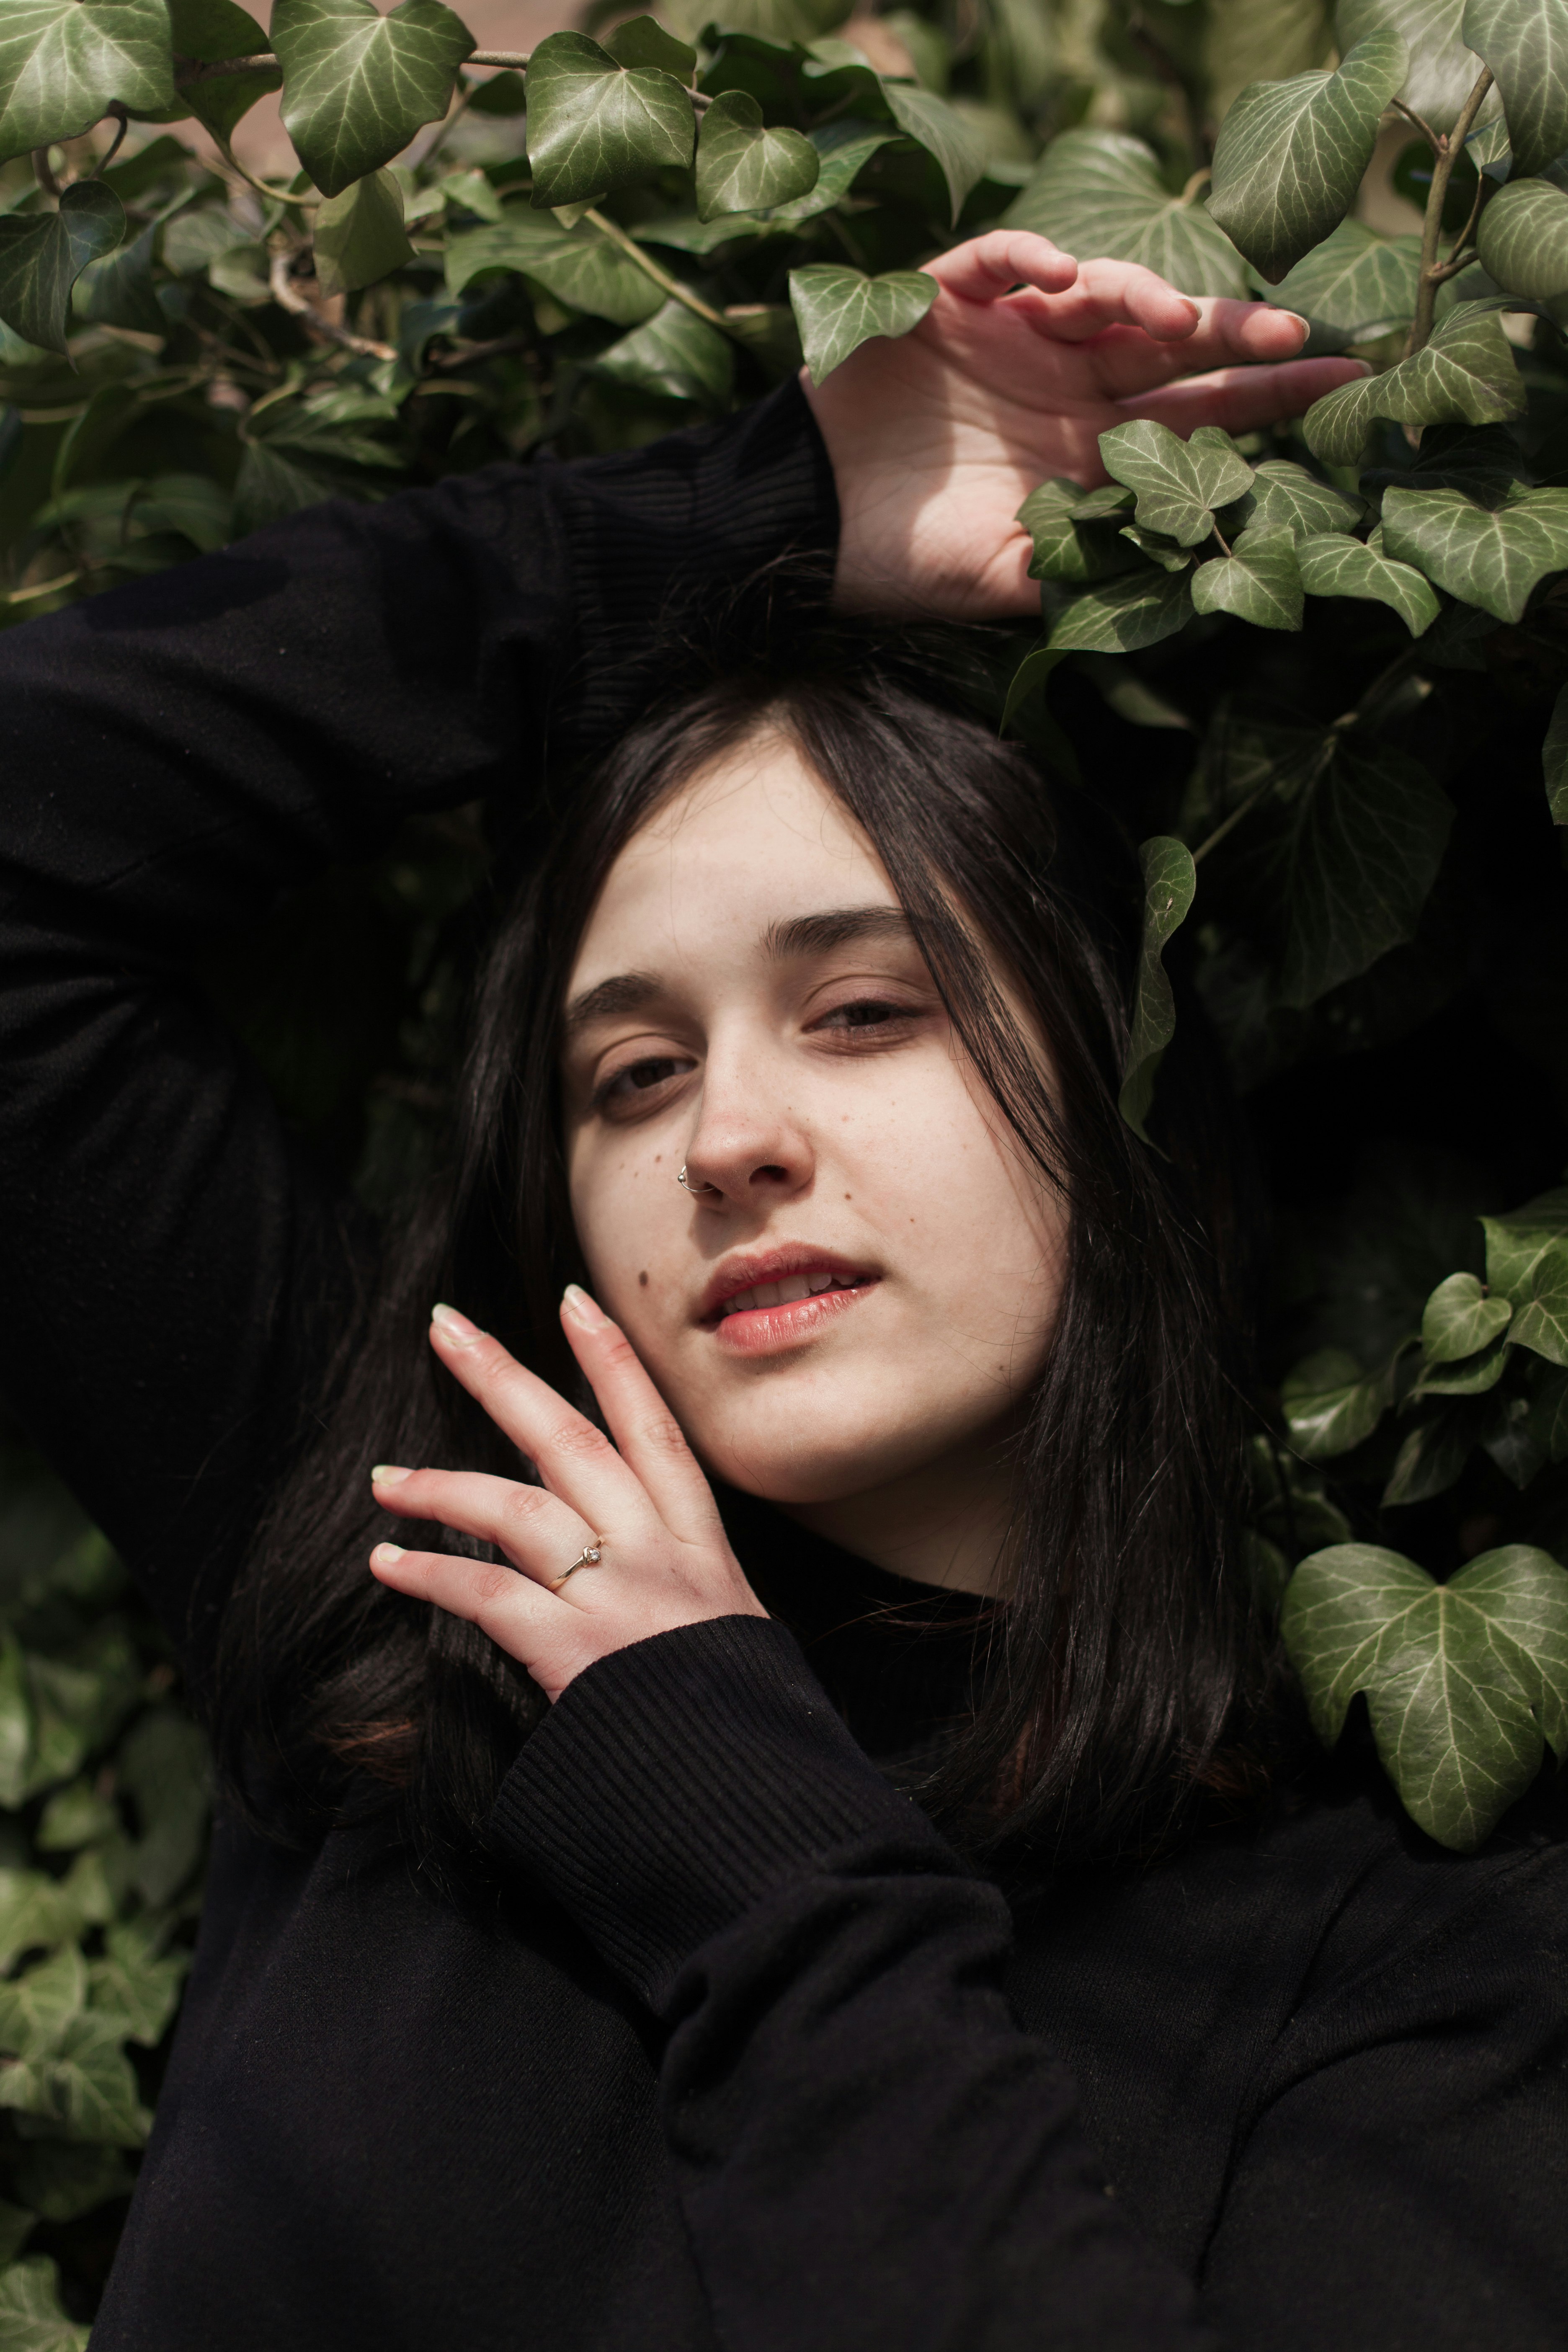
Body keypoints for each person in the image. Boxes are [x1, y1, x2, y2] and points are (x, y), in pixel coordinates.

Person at [0, 228, 1561, 2350]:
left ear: (1125, 1095)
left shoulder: (1409, 1958)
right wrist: (779, 511)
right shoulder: (414, 1620)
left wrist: (734, 1825)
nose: (727, 1137)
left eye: (864, 1012)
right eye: (631, 1071)